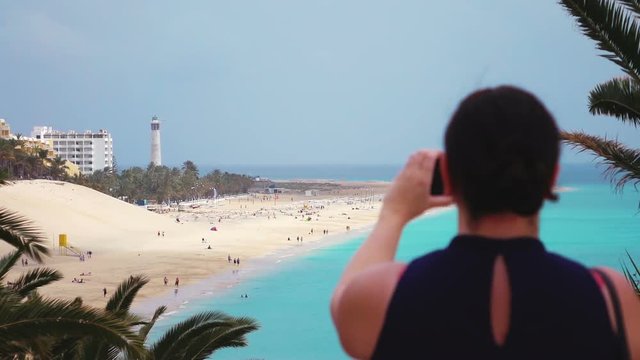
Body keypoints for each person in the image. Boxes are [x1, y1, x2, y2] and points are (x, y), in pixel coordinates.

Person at [330, 86, 640, 359]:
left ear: (449, 178)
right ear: (552, 179)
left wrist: (394, 214)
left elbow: (342, 300)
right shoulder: (611, 299)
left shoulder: (385, 296)